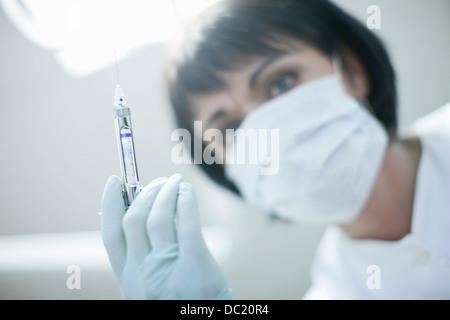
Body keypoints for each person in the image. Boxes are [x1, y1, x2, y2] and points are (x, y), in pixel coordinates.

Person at [101, 0, 450, 299]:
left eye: (281, 82)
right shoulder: (338, 289)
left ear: (352, 70)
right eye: (231, 129)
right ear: (226, 170)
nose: (265, 131)